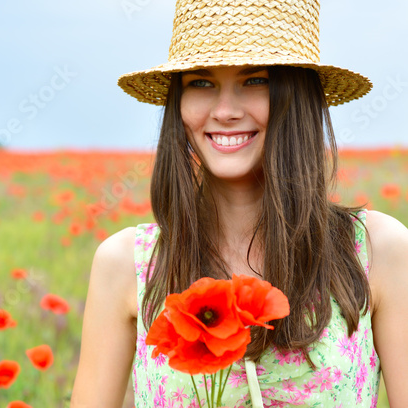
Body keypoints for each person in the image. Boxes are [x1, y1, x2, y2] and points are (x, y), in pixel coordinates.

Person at [70, 0, 408, 407]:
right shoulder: (128, 266)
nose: (225, 111)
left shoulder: (377, 251)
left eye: (255, 81)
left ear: (296, 96)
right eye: (200, 82)